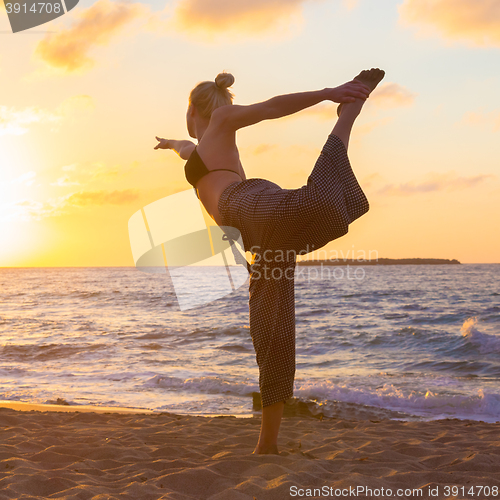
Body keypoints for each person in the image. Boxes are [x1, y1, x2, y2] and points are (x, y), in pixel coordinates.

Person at [154, 68, 385, 454]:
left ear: (193, 108)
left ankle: (347, 114)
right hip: (260, 240)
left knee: (319, 202)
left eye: (186, 114)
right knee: (271, 333)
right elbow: (184, 147)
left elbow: (271, 107)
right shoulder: (202, 148)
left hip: (249, 206)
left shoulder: (222, 121)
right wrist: (169, 142)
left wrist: (329, 92)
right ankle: (267, 444)